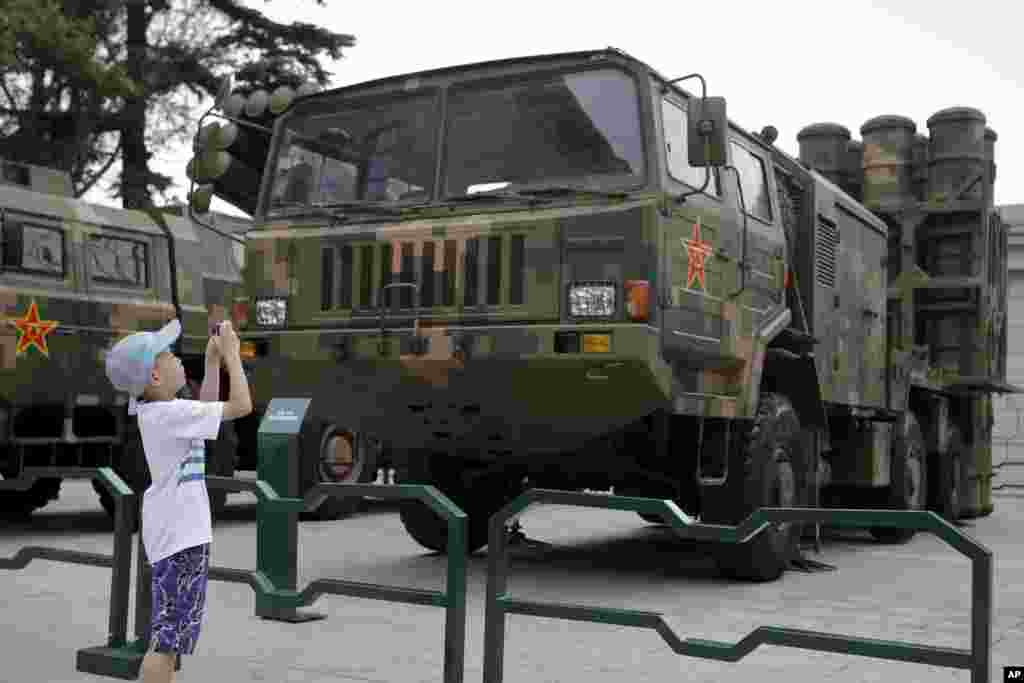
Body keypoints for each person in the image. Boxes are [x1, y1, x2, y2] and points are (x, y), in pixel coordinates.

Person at [104, 318, 252, 682]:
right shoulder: (168, 413)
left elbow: (206, 412)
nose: (176, 358)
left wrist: (213, 363)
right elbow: (241, 405)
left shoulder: (163, 412)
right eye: (168, 354)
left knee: (170, 638)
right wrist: (234, 356)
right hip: (180, 537)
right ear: (154, 376)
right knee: (168, 642)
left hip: (175, 533)